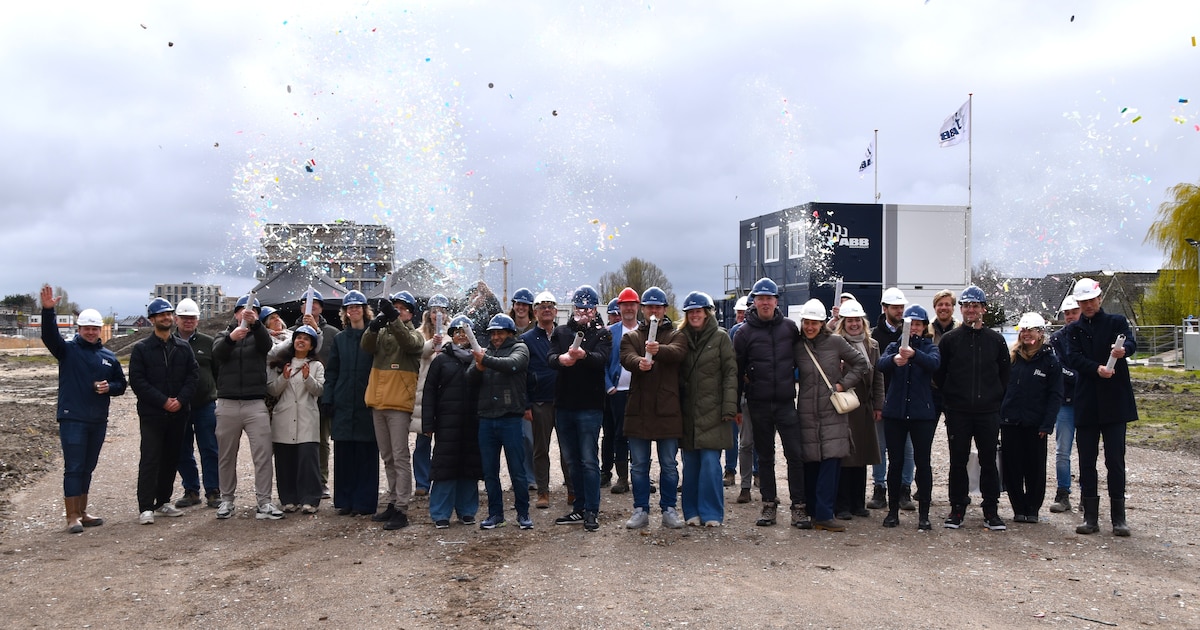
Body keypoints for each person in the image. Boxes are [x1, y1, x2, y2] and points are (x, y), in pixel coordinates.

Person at [40, 285, 127, 533]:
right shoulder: (67, 350)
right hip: (73, 418)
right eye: (86, 328)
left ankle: (83, 511)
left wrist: (108, 386)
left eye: (94, 328)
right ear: (79, 329)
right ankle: (72, 516)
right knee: (74, 467)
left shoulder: (108, 356)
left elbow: (122, 385)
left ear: (100, 330)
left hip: (97, 420)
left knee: (88, 467)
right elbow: (49, 336)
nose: (90, 332)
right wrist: (48, 311)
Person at [1063, 277, 1137, 537]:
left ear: (1099, 298)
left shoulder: (1116, 322)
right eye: (1083, 302)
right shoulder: (1074, 330)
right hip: (1088, 402)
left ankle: (1119, 518)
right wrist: (1096, 369)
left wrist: (1123, 351)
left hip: (1115, 402)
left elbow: (1131, 342)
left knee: (1115, 460)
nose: (1087, 306)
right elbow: (1073, 358)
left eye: (1090, 301)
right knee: (1086, 461)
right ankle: (1090, 517)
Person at [934, 285, 1011, 531]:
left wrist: (995, 401)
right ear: (961, 309)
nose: (970, 310)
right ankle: (957, 508)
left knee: (989, 461)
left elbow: (1004, 375)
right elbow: (940, 373)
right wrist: (951, 402)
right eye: (966, 306)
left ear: (983, 309)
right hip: (958, 412)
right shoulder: (950, 340)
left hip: (988, 412)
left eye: (975, 306)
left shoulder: (996, 341)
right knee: (958, 460)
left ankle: (991, 510)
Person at [733, 277, 804, 527]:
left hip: (785, 402)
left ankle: (798, 506)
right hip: (759, 404)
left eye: (769, 298)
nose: (765, 302)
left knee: (795, 454)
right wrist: (735, 406)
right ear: (754, 301)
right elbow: (736, 371)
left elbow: (803, 359)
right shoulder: (743, 333)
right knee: (765, 457)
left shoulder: (789, 328)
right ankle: (769, 504)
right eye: (760, 298)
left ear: (776, 301)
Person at [794, 299, 869, 532]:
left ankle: (825, 514)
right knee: (811, 462)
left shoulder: (836, 343)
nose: (810, 326)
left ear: (822, 323)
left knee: (831, 461)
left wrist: (842, 385)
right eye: (806, 322)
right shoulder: (797, 345)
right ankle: (814, 513)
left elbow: (861, 364)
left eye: (814, 322)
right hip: (807, 411)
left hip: (832, 410)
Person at [620, 286, 688, 530]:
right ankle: (640, 509)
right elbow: (626, 357)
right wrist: (640, 362)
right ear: (643, 309)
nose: (654, 311)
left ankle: (669, 508)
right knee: (638, 466)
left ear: (664, 309)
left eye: (658, 307)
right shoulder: (631, 336)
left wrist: (658, 350)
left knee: (669, 465)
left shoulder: (676, 335)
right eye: (649, 306)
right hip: (638, 410)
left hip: (668, 411)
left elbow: (679, 353)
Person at [213, 295, 284, 520]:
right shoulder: (223, 335)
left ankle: (264, 502)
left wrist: (256, 325)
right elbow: (218, 354)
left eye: (252, 311)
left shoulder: (260, 336)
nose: (246, 313)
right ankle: (226, 500)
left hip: (255, 403)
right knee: (226, 455)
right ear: (235, 313)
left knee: (262, 454)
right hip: (227, 403)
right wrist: (232, 339)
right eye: (242, 310)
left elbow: (267, 346)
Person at [549, 285, 612, 531]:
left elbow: (601, 360)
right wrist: (562, 359)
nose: (583, 311)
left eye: (587, 308)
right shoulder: (561, 332)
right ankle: (578, 506)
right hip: (564, 405)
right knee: (572, 460)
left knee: (588, 460)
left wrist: (583, 356)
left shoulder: (603, 334)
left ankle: (591, 510)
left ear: (595, 309)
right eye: (579, 307)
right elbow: (550, 358)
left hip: (589, 406)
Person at [130, 298, 199, 524]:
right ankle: (146, 506)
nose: (166, 318)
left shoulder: (183, 347)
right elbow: (138, 382)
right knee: (150, 458)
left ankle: (163, 502)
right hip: (152, 415)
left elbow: (192, 376)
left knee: (171, 458)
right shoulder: (141, 349)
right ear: (152, 319)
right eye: (161, 315)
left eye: (169, 314)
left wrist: (179, 400)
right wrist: (163, 401)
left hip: (178, 414)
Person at [361, 291, 425, 530]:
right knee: (387, 456)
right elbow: (366, 346)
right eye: (393, 307)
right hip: (378, 400)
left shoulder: (414, 334)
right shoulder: (385, 331)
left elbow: (409, 344)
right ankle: (393, 499)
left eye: (401, 308)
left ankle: (402, 507)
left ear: (410, 312)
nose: (396, 311)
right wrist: (375, 326)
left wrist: (392, 318)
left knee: (399, 456)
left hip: (398, 402)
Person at [877, 304, 941, 530]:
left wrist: (914, 355)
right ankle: (892, 511)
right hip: (895, 413)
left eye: (918, 324)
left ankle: (924, 514)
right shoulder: (895, 346)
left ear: (924, 327)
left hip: (921, 414)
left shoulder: (930, 347)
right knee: (895, 463)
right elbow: (880, 364)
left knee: (923, 463)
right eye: (910, 324)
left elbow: (934, 364)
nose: (914, 328)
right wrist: (895, 359)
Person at [468, 313, 533, 530]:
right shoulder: (484, 352)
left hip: (511, 419)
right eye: (493, 333)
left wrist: (484, 360)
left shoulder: (520, 348)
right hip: (486, 418)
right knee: (489, 472)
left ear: (510, 333)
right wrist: (478, 366)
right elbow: (469, 378)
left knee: (517, 470)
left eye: (500, 332)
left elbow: (513, 364)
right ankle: (496, 514)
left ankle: (523, 514)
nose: (495, 337)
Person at [678, 292, 737, 527]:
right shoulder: (680, 337)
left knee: (712, 466)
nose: (695, 315)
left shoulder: (721, 338)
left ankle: (712, 513)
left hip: (715, 412)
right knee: (690, 466)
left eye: (698, 311)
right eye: (691, 311)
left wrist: (729, 407)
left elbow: (730, 373)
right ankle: (691, 512)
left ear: (707, 312)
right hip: (688, 412)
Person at [1000, 313, 1063, 524]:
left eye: (1031, 330)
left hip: (1036, 425)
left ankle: (1033, 508)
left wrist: (1048, 423)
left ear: (1040, 332)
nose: (1027, 334)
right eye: (1024, 331)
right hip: (1010, 422)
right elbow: (1001, 389)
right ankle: (1018, 508)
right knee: (1012, 467)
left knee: (1034, 468)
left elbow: (1055, 395)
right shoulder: (1011, 359)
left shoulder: (1050, 362)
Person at [423, 315, 483, 528]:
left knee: (469, 466)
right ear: (452, 335)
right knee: (445, 467)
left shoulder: (480, 359)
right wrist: (427, 424)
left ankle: (467, 511)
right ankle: (440, 513)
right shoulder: (441, 360)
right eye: (457, 331)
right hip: (446, 422)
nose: (460, 335)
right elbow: (429, 392)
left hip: (472, 421)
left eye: (464, 332)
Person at [323, 290, 378, 517]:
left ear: (364, 310)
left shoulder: (374, 336)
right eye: (349, 307)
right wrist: (328, 398)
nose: (353, 310)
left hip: (367, 401)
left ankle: (364, 503)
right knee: (344, 454)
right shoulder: (339, 339)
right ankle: (344, 501)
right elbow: (332, 371)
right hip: (344, 401)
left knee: (366, 454)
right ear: (345, 312)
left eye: (357, 306)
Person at [832, 300, 883, 521]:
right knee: (845, 456)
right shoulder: (835, 344)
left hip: (864, 406)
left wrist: (879, 404)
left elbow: (878, 376)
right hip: (844, 404)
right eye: (849, 320)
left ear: (863, 322)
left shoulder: (872, 345)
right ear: (843, 323)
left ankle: (858, 503)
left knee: (861, 456)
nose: (854, 324)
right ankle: (842, 504)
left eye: (857, 320)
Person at [267, 325, 325, 514]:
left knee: (308, 461)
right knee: (285, 460)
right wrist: (283, 378)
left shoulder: (316, 366)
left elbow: (319, 390)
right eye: (298, 337)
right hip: (284, 416)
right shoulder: (281, 364)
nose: (301, 341)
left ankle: (311, 499)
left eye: (306, 339)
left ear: (311, 345)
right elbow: (273, 390)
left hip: (307, 417)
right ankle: (288, 498)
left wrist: (308, 378)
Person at [521, 290, 570, 509]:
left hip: (564, 401)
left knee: (568, 449)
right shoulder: (526, 340)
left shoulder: (564, 335)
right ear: (535, 311)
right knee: (540, 450)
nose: (547, 310)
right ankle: (543, 492)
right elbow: (520, 375)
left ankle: (572, 490)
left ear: (556, 311)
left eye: (550, 306)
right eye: (542, 306)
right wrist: (525, 404)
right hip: (539, 402)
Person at [869, 287, 915, 511]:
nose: (899, 311)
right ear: (884, 308)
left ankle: (905, 490)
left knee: (907, 449)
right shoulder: (874, 335)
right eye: (895, 307)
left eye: (901, 307)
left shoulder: (910, 334)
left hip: (905, 400)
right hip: (882, 399)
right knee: (880, 447)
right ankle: (880, 489)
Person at [292, 288, 341, 500]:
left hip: (322, 392)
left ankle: (321, 481)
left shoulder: (332, 332)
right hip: (295, 393)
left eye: (315, 305)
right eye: (306, 304)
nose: (310, 308)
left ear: (321, 308)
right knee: (294, 438)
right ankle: (297, 482)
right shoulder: (292, 332)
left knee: (321, 440)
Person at [173, 297, 221, 509]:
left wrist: (216, 393)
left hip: (205, 404)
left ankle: (213, 490)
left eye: (191, 318)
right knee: (182, 449)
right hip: (179, 406)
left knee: (209, 447)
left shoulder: (208, 343)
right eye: (184, 318)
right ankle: (191, 490)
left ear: (198, 320)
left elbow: (218, 372)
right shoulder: (168, 342)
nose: (188, 321)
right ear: (176, 319)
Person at [411, 293, 451, 498]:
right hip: (423, 391)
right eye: (434, 311)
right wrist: (431, 344)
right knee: (423, 440)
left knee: (444, 441)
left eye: (441, 312)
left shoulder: (451, 336)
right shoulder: (418, 334)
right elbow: (418, 352)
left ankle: (441, 479)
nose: (438, 315)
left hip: (444, 392)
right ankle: (422, 481)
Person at [604, 286, 641, 494]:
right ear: (619, 307)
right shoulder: (609, 334)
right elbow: (603, 363)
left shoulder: (645, 331)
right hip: (618, 392)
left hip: (640, 392)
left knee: (641, 434)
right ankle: (622, 478)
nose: (628, 308)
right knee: (620, 434)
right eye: (625, 304)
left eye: (632, 304)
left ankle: (640, 476)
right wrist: (609, 386)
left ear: (637, 307)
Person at [1048, 295, 1081, 513]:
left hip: (1088, 402)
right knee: (1062, 451)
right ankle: (1063, 493)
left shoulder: (1091, 336)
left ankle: (1088, 495)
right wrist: (1085, 376)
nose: (1070, 317)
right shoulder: (1057, 339)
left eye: (1073, 312)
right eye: (1067, 313)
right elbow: (1058, 368)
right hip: (1066, 402)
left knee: (1089, 453)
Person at [728, 295, 757, 503]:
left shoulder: (778, 329)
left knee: (766, 445)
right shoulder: (737, 332)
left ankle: (762, 480)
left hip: (768, 396)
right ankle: (744, 485)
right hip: (746, 395)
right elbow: (733, 368)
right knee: (745, 442)